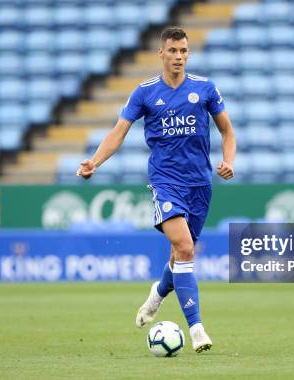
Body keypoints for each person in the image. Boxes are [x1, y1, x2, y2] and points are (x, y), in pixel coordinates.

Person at [76, 27, 236, 352]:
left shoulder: (204, 89)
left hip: (200, 184)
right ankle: (197, 330)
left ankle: (158, 293)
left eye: (184, 51)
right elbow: (119, 132)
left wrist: (228, 160)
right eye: (173, 51)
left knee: (180, 255)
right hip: (165, 182)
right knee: (186, 248)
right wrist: (95, 161)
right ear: (161, 53)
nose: (179, 57)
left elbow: (227, 132)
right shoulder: (145, 92)